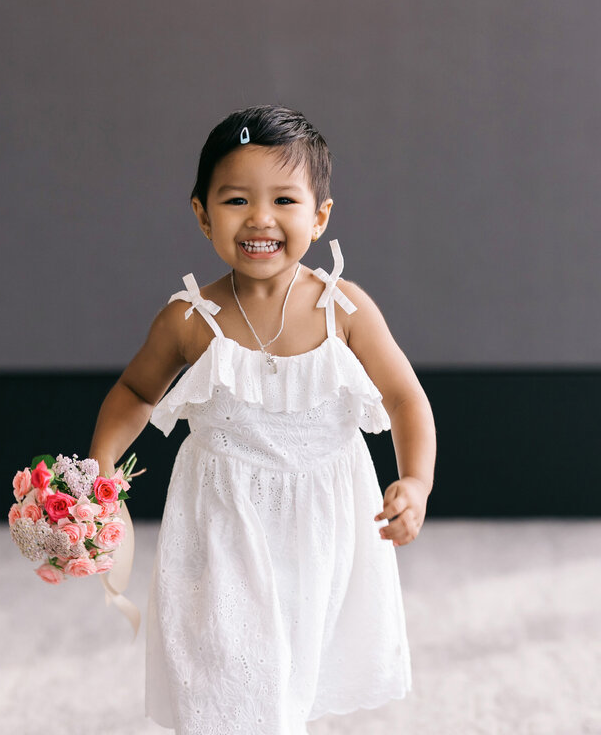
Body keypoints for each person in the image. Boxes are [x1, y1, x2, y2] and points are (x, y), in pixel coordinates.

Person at [89, 104, 436, 733]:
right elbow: (137, 391)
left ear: (319, 215)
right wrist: (102, 468)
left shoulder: (344, 309)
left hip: (321, 529)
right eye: (235, 200)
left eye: (284, 199)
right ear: (201, 214)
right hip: (220, 524)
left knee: (289, 679)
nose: (260, 219)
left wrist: (414, 481)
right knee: (227, 678)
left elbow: (406, 398)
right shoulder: (191, 318)